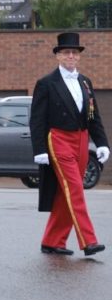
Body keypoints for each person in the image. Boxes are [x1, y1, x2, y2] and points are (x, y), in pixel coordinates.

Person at [30, 32, 109, 256]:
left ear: (79, 56)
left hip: (82, 139)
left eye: (74, 52)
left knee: (66, 192)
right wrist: (39, 149)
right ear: (58, 56)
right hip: (59, 139)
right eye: (66, 52)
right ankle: (89, 241)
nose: (71, 56)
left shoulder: (85, 82)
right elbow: (37, 119)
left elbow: (93, 116)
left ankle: (52, 241)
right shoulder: (46, 83)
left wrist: (102, 143)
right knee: (75, 188)